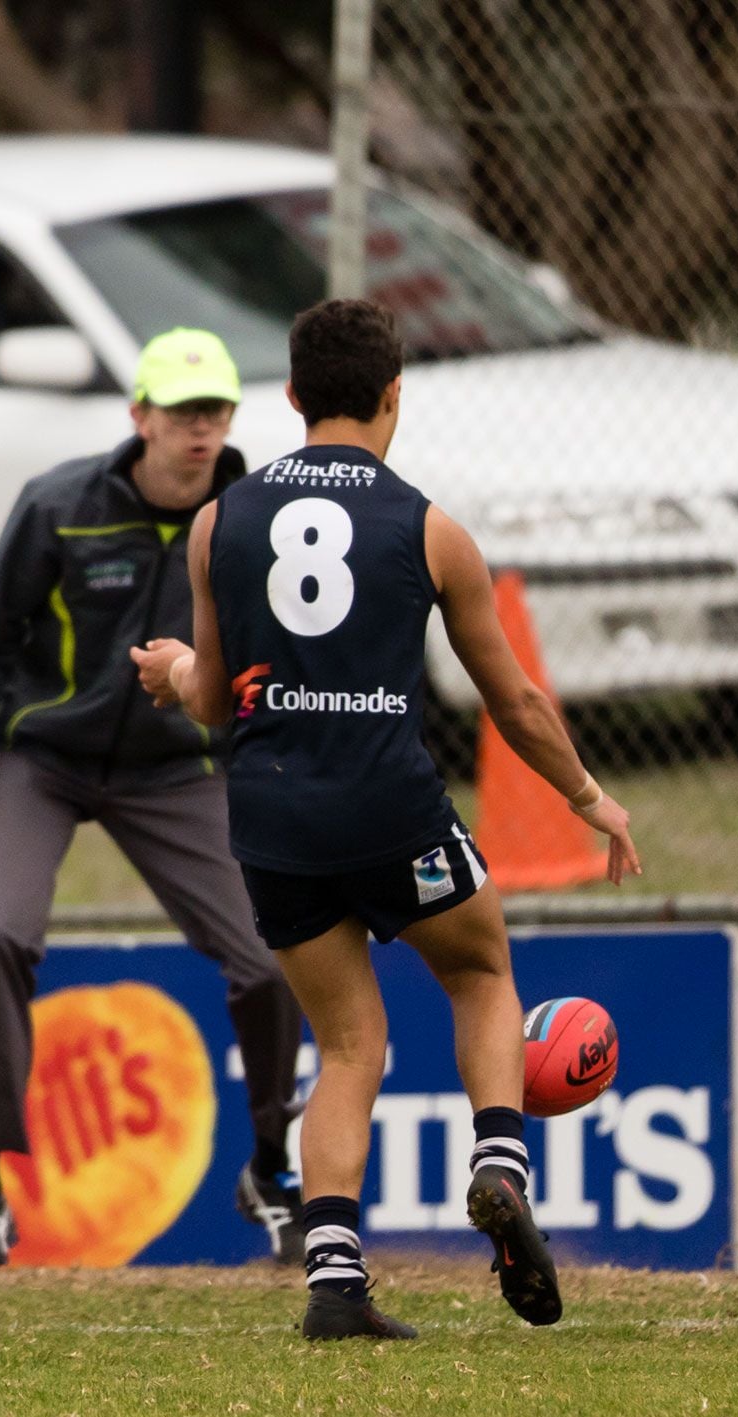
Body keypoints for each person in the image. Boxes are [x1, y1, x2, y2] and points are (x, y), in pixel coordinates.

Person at [132, 299, 642, 1340]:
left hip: (273, 819)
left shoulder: (219, 523)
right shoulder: (430, 529)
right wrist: (590, 798)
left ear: (290, 397)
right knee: (480, 971)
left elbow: (212, 699)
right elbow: (515, 703)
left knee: (349, 1046)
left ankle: (333, 1284)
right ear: (394, 394)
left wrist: (176, 670)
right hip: (389, 808)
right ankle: (499, 1165)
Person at [0, 328, 308, 1270]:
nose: (200, 429)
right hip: (44, 760)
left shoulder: (253, 519)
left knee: (270, 960)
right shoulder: (59, 506)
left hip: (175, 769)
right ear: (140, 417)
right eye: (181, 412)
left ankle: (271, 1168)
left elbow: (278, 658)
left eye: (215, 411)